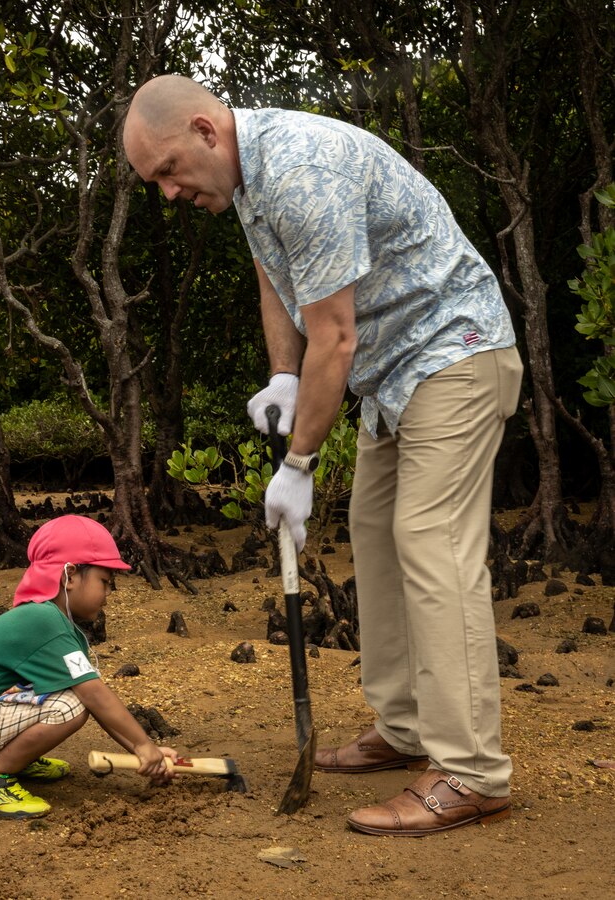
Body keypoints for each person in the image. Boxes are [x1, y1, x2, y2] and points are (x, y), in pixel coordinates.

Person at [123, 75, 524, 836]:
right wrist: (282, 373)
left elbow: (335, 336)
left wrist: (299, 464)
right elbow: (281, 285)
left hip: (455, 352)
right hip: (395, 374)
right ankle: (406, 729)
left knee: (431, 541)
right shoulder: (248, 180)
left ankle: (471, 771)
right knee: (375, 536)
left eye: (168, 171)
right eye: (155, 183)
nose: (168, 193)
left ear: (207, 131)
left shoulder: (303, 168)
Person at [0, 515, 177, 820]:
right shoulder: (43, 620)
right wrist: (143, 744)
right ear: (70, 575)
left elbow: (96, 699)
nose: (108, 594)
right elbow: (93, 696)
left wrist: (143, 750)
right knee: (71, 705)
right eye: (104, 581)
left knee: (70, 693)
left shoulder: (48, 619)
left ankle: (17, 759)